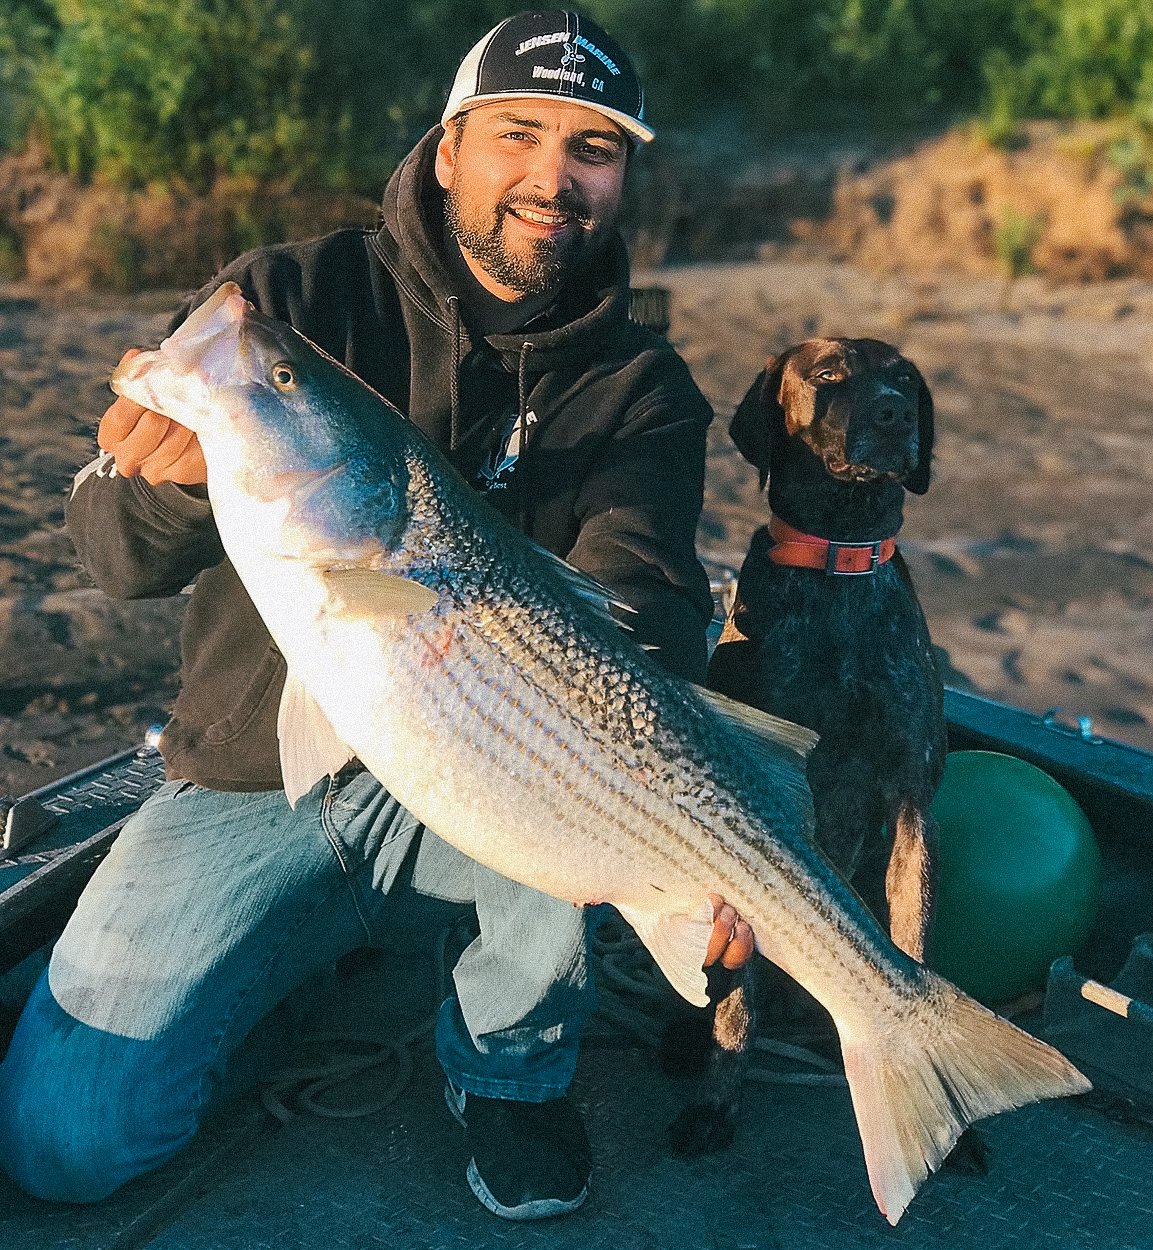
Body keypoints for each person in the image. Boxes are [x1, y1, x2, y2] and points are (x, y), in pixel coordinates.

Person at [0, 8, 752, 1222]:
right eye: (517, 132)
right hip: (256, 771)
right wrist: (168, 485)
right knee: (66, 1140)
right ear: (449, 146)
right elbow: (112, 558)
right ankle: (272, 959)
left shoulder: (643, 386)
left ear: (621, 178)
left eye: (591, 149)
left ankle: (508, 1073)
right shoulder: (285, 300)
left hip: (508, 768)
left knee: (564, 765)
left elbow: (648, 611)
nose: (549, 177)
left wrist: (693, 852)